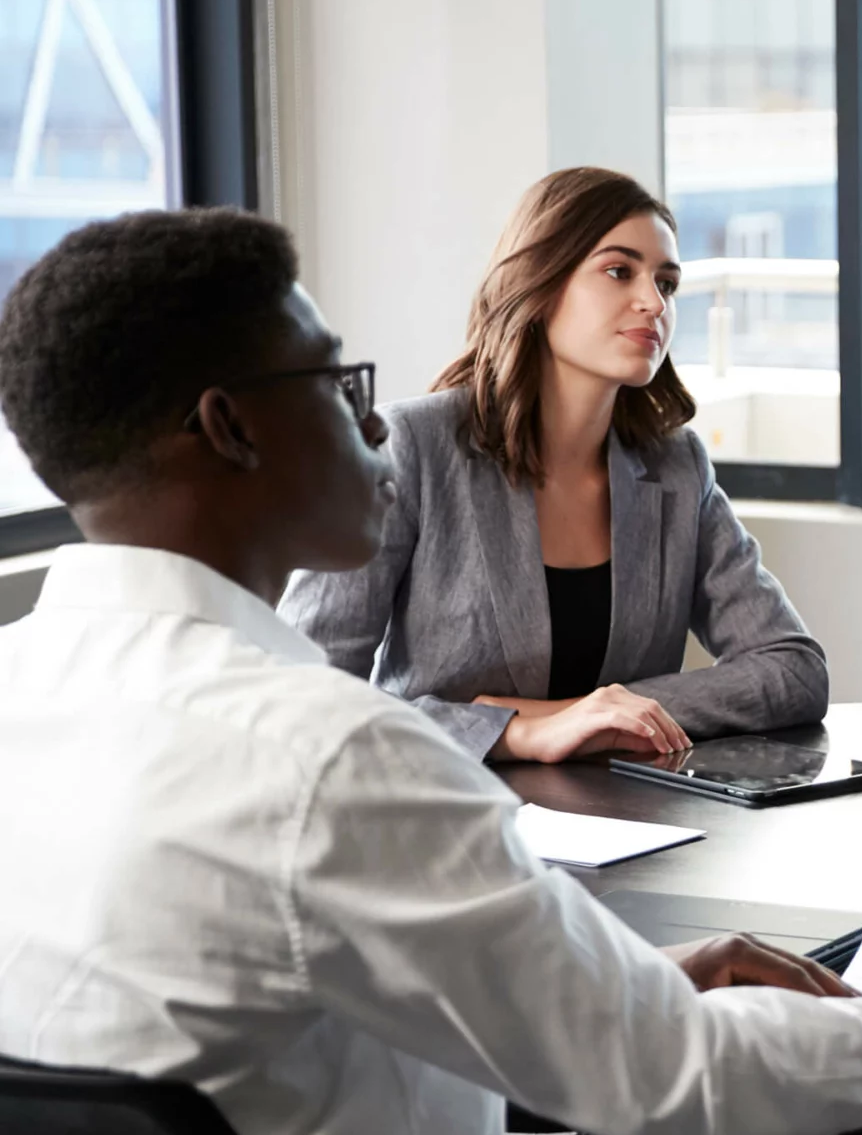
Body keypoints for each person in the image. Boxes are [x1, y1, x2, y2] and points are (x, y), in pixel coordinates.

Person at [0, 207, 862, 1135]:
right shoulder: (334, 756)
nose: (369, 421)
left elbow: (287, 990)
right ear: (231, 428)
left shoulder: (23, 685)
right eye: (335, 382)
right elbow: (686, 1084)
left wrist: (631, 977)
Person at [280, 167, 827, 763]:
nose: (654, 303)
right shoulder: (412, 446)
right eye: (620, 272)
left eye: (666, 283)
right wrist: (516, 731)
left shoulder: (677, 466)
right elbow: (304, 697)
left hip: (635, 827)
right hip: (444, 818)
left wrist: (593, 713)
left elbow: (793, 670)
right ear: (540, 283)